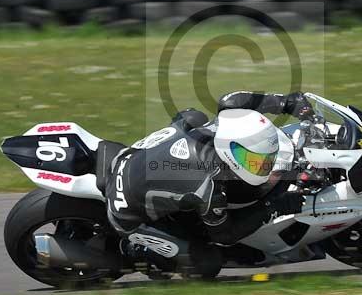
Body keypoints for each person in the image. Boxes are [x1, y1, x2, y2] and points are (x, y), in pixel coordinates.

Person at [104, 91, 315, 265]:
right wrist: (273, 206)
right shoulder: (206, 187)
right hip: (126, 212)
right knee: (207, 262)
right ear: (228, 151)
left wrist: (287, 103)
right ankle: (133, 249)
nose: (263, 165)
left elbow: (232, 99)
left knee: (194, 117)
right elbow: (225, 236)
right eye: (253, 159)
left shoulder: (230, 116)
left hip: (134, 157)